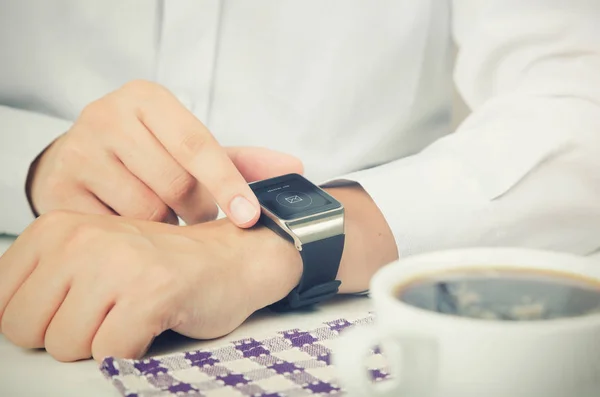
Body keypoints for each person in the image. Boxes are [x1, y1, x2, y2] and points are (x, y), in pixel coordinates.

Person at [1, 0, 599, 362]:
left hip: (365, 316)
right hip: (31, 283)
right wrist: (33, 160)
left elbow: (580, 104)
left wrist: (263, 247)